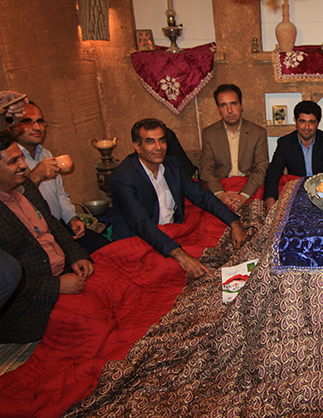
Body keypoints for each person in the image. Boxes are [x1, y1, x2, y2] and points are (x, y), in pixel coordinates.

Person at [110, 119, 247, 278]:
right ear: (137, 146)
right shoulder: (123, 178)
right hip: (139, 241)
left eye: (162, 140)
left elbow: (201, 196)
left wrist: (234, 222)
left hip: (172, 234)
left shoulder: (172, 165)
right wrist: (181, 256)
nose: (159, 147)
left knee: (222, 245)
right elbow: (141, 223)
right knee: (178, 270)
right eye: (150, 142)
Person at [0, 131, 93, 344]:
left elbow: (53, 225)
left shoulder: (26, 188)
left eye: (21, 157)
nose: (24, 165)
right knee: (93, 329)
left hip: (63, 276)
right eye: (14, 161)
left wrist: (76, 256)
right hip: (29, 307)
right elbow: (6, 282)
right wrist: (56, 286)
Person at [10, 101, 111, 253]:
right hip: (34, 238)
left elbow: (60, 195)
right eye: (27, 121)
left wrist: (72, 218)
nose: (37, 127)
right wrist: (35, 176)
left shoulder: (45, 154)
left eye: (40, 122)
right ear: (12, 125)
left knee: (109, 249)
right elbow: (11, 201)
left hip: (58, 227)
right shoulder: (8, 161)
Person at [200, 84, 269, 210]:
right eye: (223, 105)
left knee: (256, 214)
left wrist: (244, 196)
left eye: (233, 104)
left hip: (249, 187)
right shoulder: (209, 133)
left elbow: (261, 168)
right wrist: (220, 194)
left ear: (241, 106)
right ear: (218, 109)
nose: (230, 110)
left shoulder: (258, 132)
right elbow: (206, 168)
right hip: (221, 186)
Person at [263, 100, 323, 212]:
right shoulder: (285, 143)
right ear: (296, 121)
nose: (306, 127)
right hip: (296, 193)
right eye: (302, 121)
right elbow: (274, 172)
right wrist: (270, 199)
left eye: (311, 122)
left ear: (318, 123)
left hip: (322, 194)